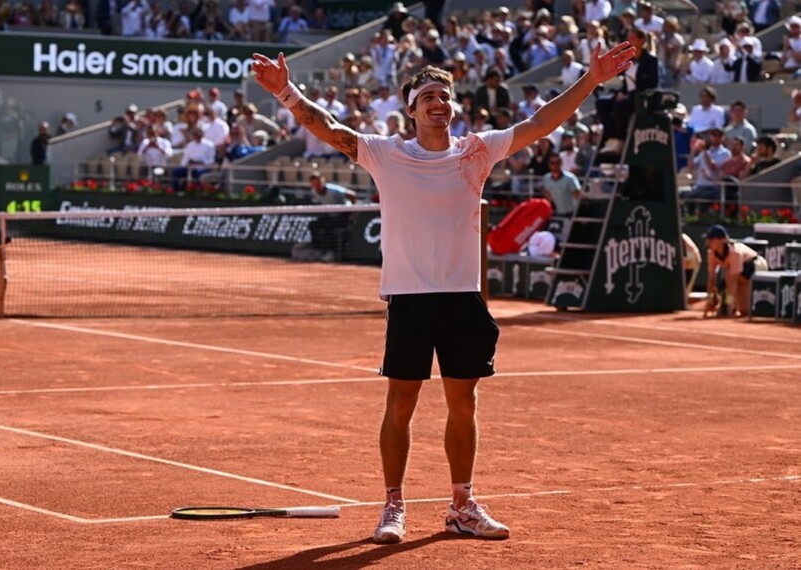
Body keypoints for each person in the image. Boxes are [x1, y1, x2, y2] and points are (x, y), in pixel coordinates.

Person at [250, 37, 635, 543]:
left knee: (464, 404)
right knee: (401, 403)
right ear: (411, 110)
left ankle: (462, 505)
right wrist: (288, 93)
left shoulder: (477, 150)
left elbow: (541, 123)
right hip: (409, 298)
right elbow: (332, 129)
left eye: (445, 96)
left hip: (462, 297)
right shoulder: (386, 154)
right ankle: (393, 505)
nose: (439, 103)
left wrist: (590, 80)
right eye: (428, 96)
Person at [703, 224, 768, 317]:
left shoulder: (734, 252)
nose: (709, 242)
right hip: (740, 274)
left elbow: (732, 281)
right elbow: (711, 278)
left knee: (728, 274)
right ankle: (727, 304)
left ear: (722, 240)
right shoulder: (711, 253)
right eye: (708, 239)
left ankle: (728, 305)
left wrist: (729, 305)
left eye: (712, 239)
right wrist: (709, 300)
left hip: (757, 266)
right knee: (744, 311)